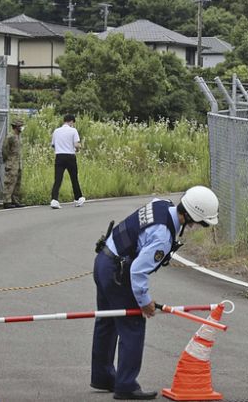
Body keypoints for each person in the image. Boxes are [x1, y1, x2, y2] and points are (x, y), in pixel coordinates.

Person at [90, 185, 219, 400]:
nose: (198, 226)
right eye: (200, 222)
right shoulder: (162, 236)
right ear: (190, 216)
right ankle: (126, 385)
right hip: (118, 272)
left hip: (104, 259)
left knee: (107, 321)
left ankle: (102, 376)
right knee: (133, 325)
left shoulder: (162, 204)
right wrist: (144, 302)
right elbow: (137, 271)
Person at [51, 113, 84, 208]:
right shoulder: (73, 131)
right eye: (73, 123)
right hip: (70, 156)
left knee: (58, 179)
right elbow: (76, 145)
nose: (72, 124)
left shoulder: (56, 131)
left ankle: (54, 199)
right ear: (71, 121)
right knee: (74, 178)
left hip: (59, 156)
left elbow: (53, 145)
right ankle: (78, 198)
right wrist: (78, 148)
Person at [2, 118, 25, 208]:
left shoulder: (18, 136)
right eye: (21, 126)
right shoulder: (10, 136)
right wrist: (8, 160)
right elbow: (5, 149)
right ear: (16, 127)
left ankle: (15, 200)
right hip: (11, 163)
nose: (22, 128)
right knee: (9, 182)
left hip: (18, 163)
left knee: (17, 183)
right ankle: (6, 201)